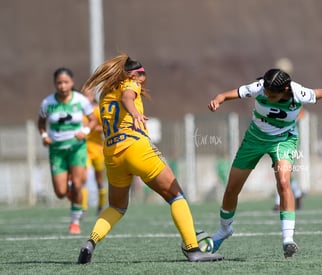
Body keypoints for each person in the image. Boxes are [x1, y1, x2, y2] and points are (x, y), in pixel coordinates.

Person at [77, 53, 224, 264]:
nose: (144, 77)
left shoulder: (105, 92)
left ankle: (90, 242)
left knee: (116, 207)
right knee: (176, 196)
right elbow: (128, 96)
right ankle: (193, 249)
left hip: (111, 154)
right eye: (142, 73)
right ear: (132, 74)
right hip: (135, 148)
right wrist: (135, 112)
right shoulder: (130, 83)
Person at [208, 68, 322, 258]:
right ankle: (224, 229)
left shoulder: (299, 93)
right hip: (254, 139)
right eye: (265, 91)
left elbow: (321, 93)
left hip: (283, 140)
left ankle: (288, 239)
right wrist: (219, 98)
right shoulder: (260, 87)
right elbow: (233, 93)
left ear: (285, 89)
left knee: (284, 182)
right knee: (232, 188)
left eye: (271, 94)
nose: (266, 95)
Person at [38, 67, 97, 235]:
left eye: (66, 82)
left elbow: (92, 121)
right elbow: (41, 123)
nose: (62, 86)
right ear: (55, 84)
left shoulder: (81, 101)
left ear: (71, 83)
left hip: (77, 148)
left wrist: (84, 132)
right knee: (60, 192)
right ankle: (70, 189)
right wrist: (44, 135)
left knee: (79, 184)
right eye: (59, 83)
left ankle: (75, 222)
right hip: (57, 150)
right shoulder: (47, 103)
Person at [81, 88, 107, 216]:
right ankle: (84, 208)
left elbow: (105, 127)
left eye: (89, 95)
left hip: (97, 149)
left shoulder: (96, 110)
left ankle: (101, 206)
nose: (87, 98)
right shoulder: (78, 111)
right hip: (83, 149)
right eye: (84, 95)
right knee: (84, 178)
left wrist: (93, 128)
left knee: (99, 180)